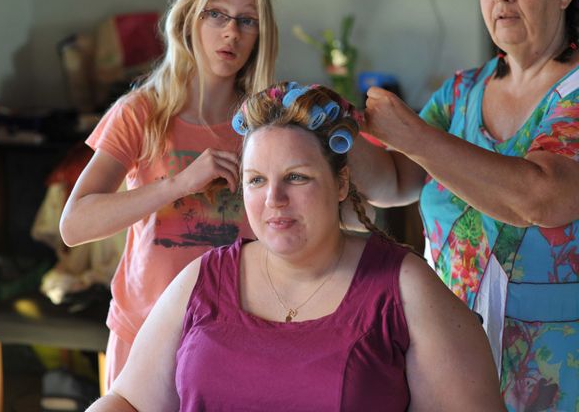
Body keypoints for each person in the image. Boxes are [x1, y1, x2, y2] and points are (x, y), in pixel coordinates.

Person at [85, 82, 504, 411]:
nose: (274, 200)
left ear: (341, 183)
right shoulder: (202, 278)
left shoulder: (404, 287)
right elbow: (128, 403)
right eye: (256, 180)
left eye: (297, 177)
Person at [350, 0, 579, 409]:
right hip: (457, 363)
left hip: (559, 373)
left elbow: (541, 198)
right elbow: (392, 183)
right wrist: (340, 133)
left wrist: (411, 134)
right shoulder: (461, 92)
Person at [59, 0, 278, 388]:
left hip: (236, 339)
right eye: (216, 14)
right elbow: (74, 224)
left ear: (260, 35)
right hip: (143, 336)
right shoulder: (141, 113)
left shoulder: (267, 122)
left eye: (246, 20)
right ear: (188, 22)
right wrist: (179, 184)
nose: (231, 32)